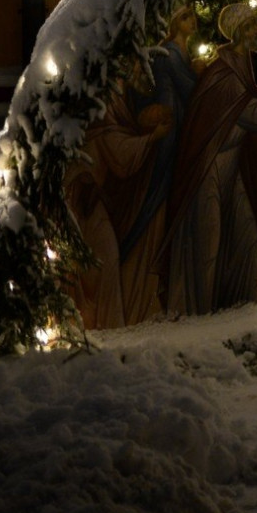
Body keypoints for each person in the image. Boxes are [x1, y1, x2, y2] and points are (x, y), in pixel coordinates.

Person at [162, 3, 257, 315]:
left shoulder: (240, 67)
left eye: (254, 24)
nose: (255, 31)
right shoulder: (224, 73)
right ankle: (200, 314)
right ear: (236, 33)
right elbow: (256, 116)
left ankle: (242, 305)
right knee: (208, 243)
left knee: (244, 234)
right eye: (248, 27)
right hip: (209, 169)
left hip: (231, 168)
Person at [63, 60, 171, 329]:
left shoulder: (118, 105)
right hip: (82, 195)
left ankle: (105, 323)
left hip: (91, 194)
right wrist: (152, 138)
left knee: (102, 260)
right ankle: (105, 325)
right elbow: (118, 152)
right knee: (103, 258)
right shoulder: (104, 106)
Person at [119, 5, 199, 320]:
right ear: (172, 23)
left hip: (180, 124)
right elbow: (189, 89)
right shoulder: (169, 53)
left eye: (193, 17)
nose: (191, 21)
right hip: (170, 128)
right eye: (184, 17)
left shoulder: (182, 53)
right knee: (158, 195)